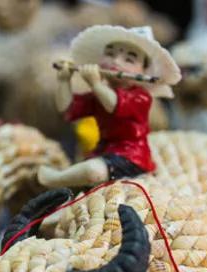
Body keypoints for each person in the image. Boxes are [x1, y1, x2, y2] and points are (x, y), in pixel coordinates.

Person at [38, 26, 181, 188]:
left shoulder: (141, 97)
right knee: (88, 170)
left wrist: (95, 83)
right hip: (103, 152)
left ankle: (57, 179)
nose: (116, 61)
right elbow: (67, 109)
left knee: (92, 171)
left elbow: (114, 104)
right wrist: (64, 81)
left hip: (130, 157)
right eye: (110, 54)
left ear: (143, 72)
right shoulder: (100, 94)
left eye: (129, 60)